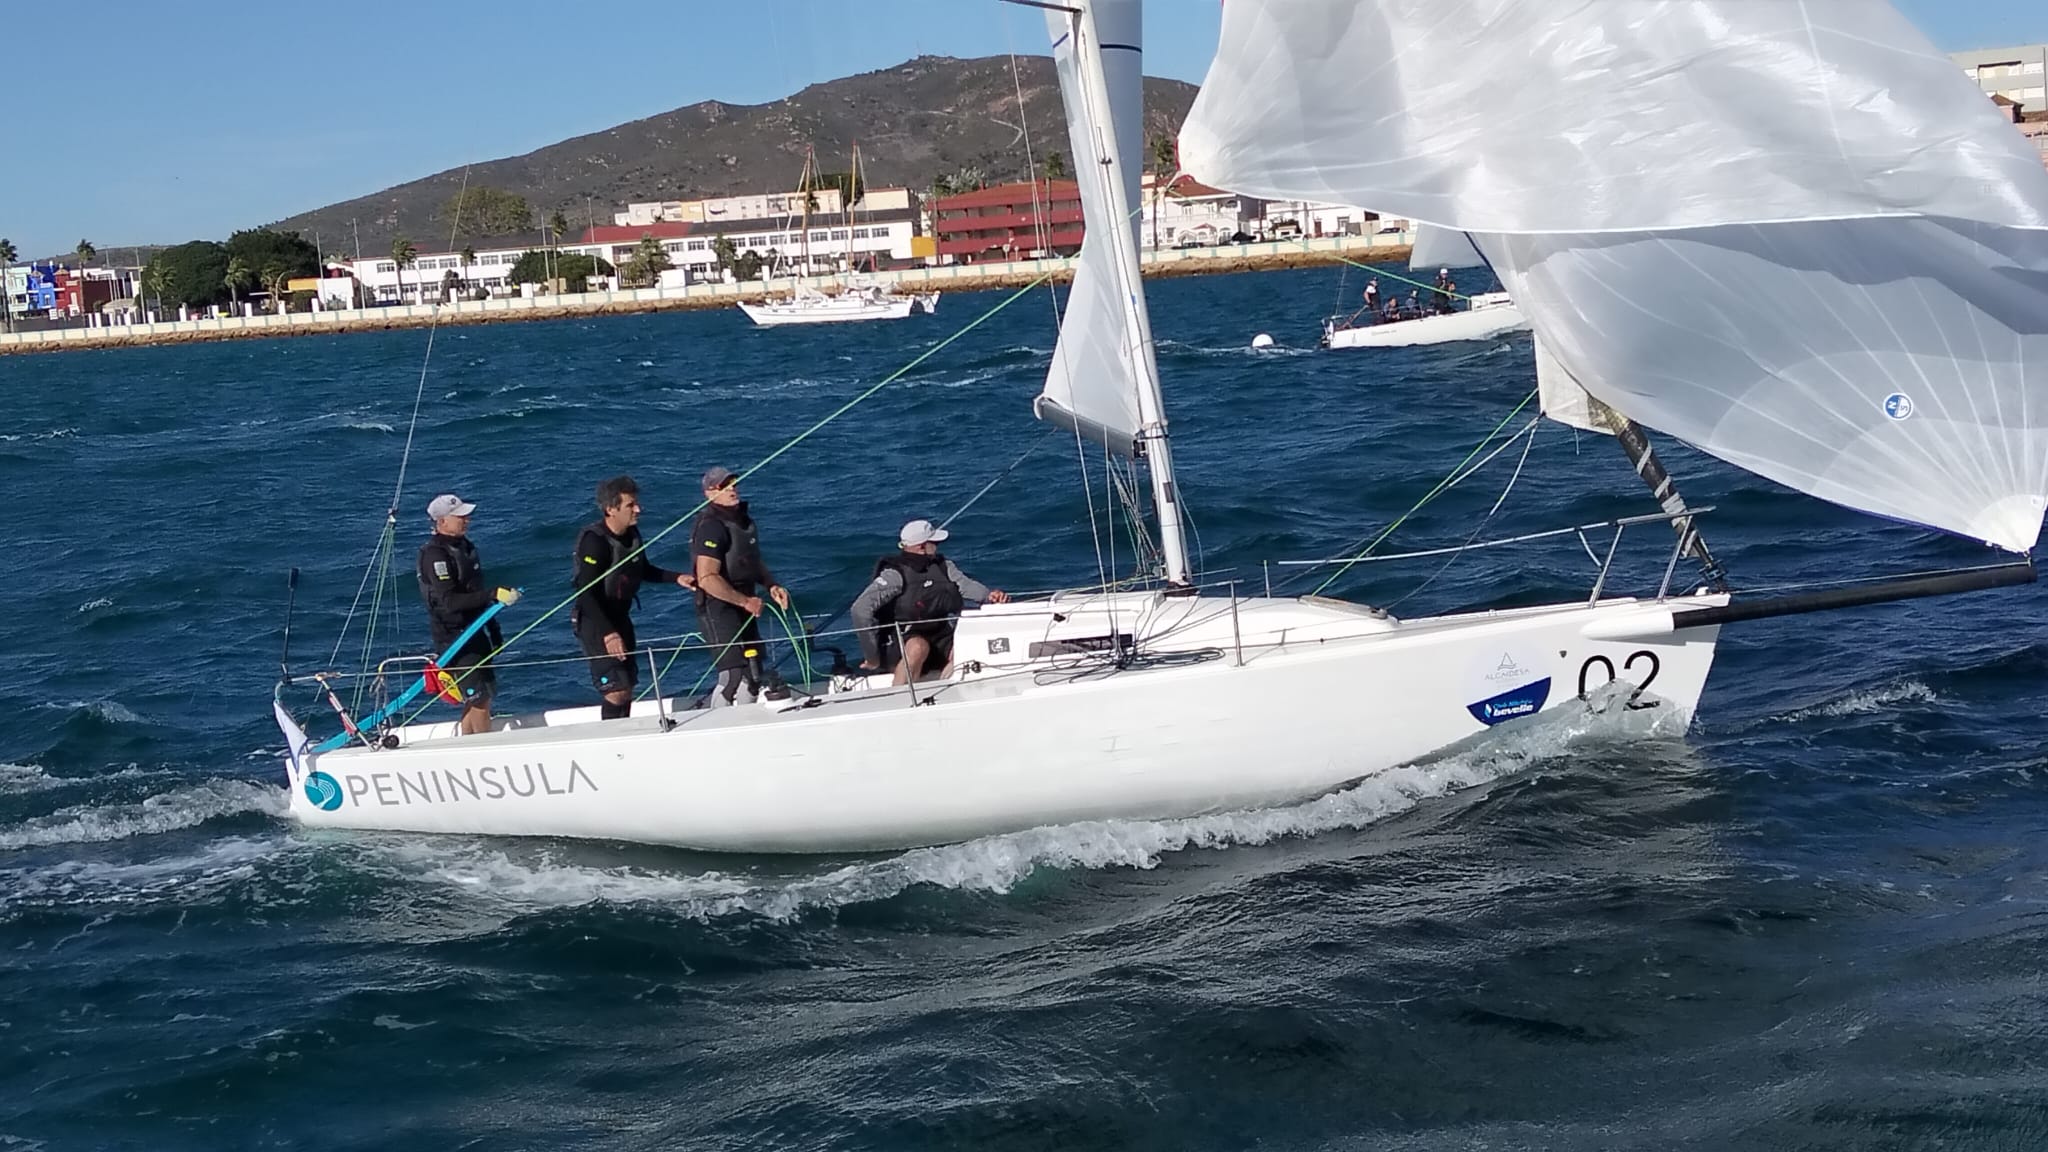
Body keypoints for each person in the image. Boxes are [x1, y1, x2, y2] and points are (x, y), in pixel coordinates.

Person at [571, 476, 695, 720]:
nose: (638, 509)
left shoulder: (632, 534)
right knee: (614, 690)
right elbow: (585, 592)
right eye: (630, 505)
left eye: (636, 503)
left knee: (627, 687)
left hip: (621, 617)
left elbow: (643, 569)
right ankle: (610, 740)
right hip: (595, 621)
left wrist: (676, 578)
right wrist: (609, 633)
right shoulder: (595, 542)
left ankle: (622, 733)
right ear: (611, 509)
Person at [851, 519, 1009, 685]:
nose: (938, 546)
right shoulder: (894, 575)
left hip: (939, 634)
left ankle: (946, 693)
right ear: (921, 547)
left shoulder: (944, 567)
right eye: (934, 543)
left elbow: (966, 585)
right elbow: (860, 609)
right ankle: (900, 697)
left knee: (966, 649)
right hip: (904, 638)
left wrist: (990, 596)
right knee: (918, 647)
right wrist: (872, 657)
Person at [416, 493, 520, 736]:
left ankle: (470, 742)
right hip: (454, 638)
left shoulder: (465, 547)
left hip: (476, 630)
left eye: (466, 515)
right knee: (479, 698)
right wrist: (493, 594)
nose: (467, 520)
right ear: (441, 522)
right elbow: (449, 601)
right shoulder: (435, 555)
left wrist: (494, 631)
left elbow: (476, 593)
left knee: (482, 697)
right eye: (460, 516)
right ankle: (483, 747)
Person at [692, 466, 791, 707]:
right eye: (723, 486)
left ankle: (746, 717)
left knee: (754, 672)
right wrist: (745, 601)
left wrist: (771, 584)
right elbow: (706, 577)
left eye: (733, 483)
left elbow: (751, 560)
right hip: (719, 606)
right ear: (709, 493)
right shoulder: (711, 526)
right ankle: (719, 723)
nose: (732, 488)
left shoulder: (744, 521)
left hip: (745, 600)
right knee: (732, 674)